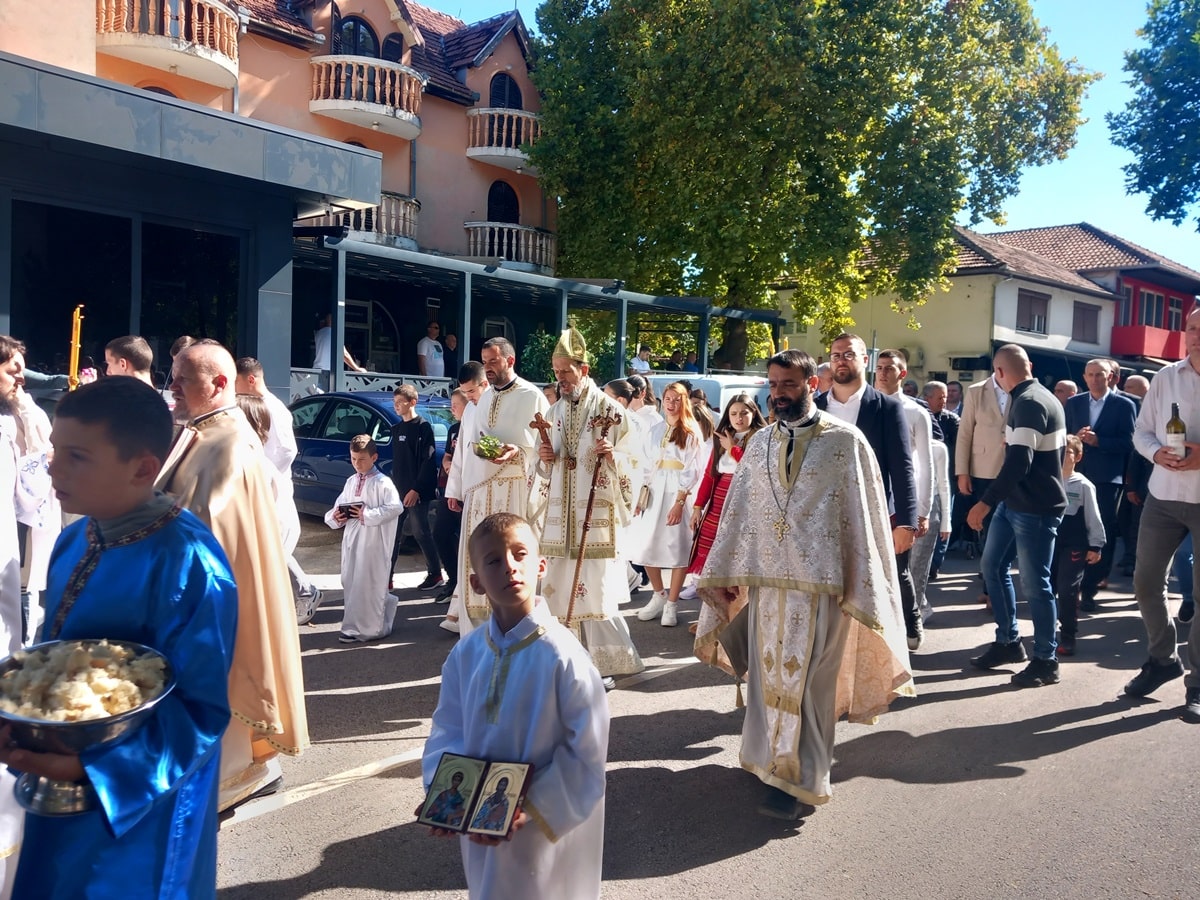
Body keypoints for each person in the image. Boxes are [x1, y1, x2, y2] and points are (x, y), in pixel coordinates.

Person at [0, 376, 238, 898]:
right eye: (54, 451)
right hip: (55, 781)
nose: (53, 469)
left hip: (137, 802)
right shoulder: (73, 538)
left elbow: (199, 711)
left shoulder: (189, 563)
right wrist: (20, 728)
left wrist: (95, 765)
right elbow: (48, 662)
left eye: (77, 457)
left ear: (144, 469)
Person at [696, 349, 913, 818]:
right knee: (765, 677)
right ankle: (767, 762)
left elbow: (865, 519)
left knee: (811, 685)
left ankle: (803, 781)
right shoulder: (758, 443)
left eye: (788, 385)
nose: (778, 395)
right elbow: (740, 513)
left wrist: (862, 582)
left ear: (811, 384)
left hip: (822, 590)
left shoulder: (846, 442)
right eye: (772, 386)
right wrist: (728, 573)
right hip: (768, 586)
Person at [422, 513, 608, 899]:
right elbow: (447, 728)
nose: (509, 566)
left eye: (519, 554)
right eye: (493, 560)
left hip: (540, 826)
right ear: (474, 582)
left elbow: (586, 751)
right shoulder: (466, 654)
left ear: (540, 566)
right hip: (478, 821)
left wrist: (532, 805)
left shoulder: (563, 657)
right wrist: (442, 795)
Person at [157, 341, 308, 810]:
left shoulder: (228, 447)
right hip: (198, 598)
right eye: (173, 376)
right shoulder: (204, 431)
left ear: (219, 384)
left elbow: (208, 529)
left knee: (224, 690)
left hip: (215, 601)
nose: (172, 387)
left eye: (183, 379)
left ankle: (234, 777)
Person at [536, 329, 645, 682]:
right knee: (558, 589)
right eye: (556, 372)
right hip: (560, 516)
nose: (560, 378)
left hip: (593, 515)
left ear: (583, 369)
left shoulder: (610, 410)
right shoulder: (553, 410)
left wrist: (613, 456)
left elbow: (635, 459)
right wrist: (545, 457)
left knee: (593, 593)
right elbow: (545, 465)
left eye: (566, 372)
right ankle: (565, 659)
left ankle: (602, 664)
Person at [967, 344, 1067, 687]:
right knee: (992, 567)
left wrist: (985, 502)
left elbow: (1019, 462)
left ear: (999, 372)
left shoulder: (1029, 401)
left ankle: (1046, 660)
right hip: (1015, 504)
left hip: (1035, 508)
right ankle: (1009, 642)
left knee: (1036, 585)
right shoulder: (1031, 396)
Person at [817, 335, 919, 645]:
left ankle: (882, 644)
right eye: (835, 355)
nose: (841, 360)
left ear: (865, 360)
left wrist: (906, 521)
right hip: (820, 515)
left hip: (868, 513)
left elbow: (902, 466)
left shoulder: (886, 407)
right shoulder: (815, 406)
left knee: (872, 585)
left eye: (849, 354)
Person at [1124, 307, 1200, 721]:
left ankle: (1198, 683)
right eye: (1192, 327)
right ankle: (1162, 659)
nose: (1197, 335)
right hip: (1164, 496)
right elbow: (1142, 431)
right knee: (1145, 582)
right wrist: (1156, 453)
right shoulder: (1165, 377)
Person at [445, 339, 549, 633]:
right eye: (484, 362)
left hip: (514, 488)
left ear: (510, 361)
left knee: (509, 554)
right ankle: (478, 630)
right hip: (479, 492)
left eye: (493, 362)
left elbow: (544, 446)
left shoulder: (532, 396)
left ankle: (517, 624)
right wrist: (455, 489)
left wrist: (518, 451)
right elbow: (466, 447)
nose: (488, 368)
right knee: (478, 554)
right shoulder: (482, 399)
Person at [235, 357, 324, 625]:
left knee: (271, 553)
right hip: (263, 484)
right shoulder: (256, 406)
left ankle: (305, 591)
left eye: (238, 382)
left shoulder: (274, 409)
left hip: (272, 490)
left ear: (250, 379)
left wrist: (263, 473)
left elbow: (288, 450)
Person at [630, 381, 707, 626]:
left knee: (677, 547)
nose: (672, 404)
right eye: (668, 399)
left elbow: (693, 469)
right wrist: (639, 496)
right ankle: (659, 594)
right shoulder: (655, 430)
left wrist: (680, 501)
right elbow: (643, 462)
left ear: (684, 403)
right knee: (646, 545)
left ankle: (672, 604)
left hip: (677, 491)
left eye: (677, 400)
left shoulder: (691, 432)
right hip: (654, 490)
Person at [1064, 359, 1136, 611]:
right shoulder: (1075, 402)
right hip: (1076, 474)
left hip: (1107, 478)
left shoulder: (1124, 404)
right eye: (1091, 374)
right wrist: (1077, 438)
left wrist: (1099, 441)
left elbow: (1129, 443)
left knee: (1101, 529)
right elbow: (1066, 437)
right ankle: (1069, 585)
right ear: (1084, 377)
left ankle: (1090, 590)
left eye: (1100, 375)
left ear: (1111, 377)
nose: (1095, 379)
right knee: (1074, 528)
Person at [874, 349, 933, 649]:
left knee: (899, 569)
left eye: (890, 368)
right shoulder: (866, 407)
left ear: (903, 374)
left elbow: (925, 465)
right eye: (880, 367)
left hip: (900, 504)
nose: (883, 372)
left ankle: (912, 620)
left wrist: (922, 511)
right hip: (870, 500)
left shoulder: (915, 413)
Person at [683, 394, 766, 611]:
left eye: (744, 413)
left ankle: (739, 610)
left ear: (754, 413)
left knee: (738, 554)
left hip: (745, 501)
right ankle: (713, 613)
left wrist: (733, 448)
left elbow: (755, 471)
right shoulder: (722, 438)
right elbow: (710, 476)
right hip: (719, 499)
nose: (739, 418)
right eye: (734, 413)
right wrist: (698, 507)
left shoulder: (762, 437)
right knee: (713, 551)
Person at [325, 435, 403, 642]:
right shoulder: (351, 481)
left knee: (368, 582)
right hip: (352, 539)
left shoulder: (383, 483)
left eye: (361, 459)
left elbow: (396, 507)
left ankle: (369, 629)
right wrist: (336, 517)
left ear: (374, 457)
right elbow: (338, 505)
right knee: (351, 580)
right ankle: (354, 625)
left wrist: (367, 514)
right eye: (353, 459)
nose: (357, 464)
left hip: (373, 541)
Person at [441, 363, 490, 632]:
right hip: (472, 490)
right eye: (464, 392)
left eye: (471, 391)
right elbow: (461, 452)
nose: (468, 397)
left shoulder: (496, 402)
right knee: (470, 550)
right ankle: (461, 612)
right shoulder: (471, 409)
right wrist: (455, 489)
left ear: (483, 384)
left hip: (493, 488)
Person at [955, 364, 1009, 600]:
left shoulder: (1022, 389)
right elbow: (965, 433)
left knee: (1009, 531)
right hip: (983, 471)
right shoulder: (977, 391)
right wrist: (962, 472)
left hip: (1013, 471)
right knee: (988, 530)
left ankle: (1000, 581)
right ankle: (990, 587)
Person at [1054, 435, 1105, 656]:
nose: (1064, 456)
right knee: (1045, 588)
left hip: (1074, 545)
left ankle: (1068, 636)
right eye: (1060, 451)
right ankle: (1046, 632)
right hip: (1049, 542)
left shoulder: (1083, 485)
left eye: (1069, 452)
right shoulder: (1048, 480)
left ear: (1078, 456)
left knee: (1067, 589)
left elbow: (1093, 517)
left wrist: (1096, 545)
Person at [389, 384, 443, 592]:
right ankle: (387, 577)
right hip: (398, 492)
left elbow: (427, 461)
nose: (397, 406)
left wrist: (416, 489)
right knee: (393, 536)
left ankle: (435, 573)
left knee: (421, 532)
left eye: (400, 402)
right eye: (395, 403)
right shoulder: (396, 429)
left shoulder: (423, 427)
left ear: (413, 402)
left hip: (417, 492)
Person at [433, 388, 468, 604]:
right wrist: (447, 463)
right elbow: (448, 455)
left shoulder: (474, 427)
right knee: (440, 534)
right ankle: (452, 579)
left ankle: (465, 584)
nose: (451, 408)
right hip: (448, 489)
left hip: (466, 491)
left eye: (456, 404)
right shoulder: (454, 429)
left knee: (465, 539)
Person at [313, 312, 366, 381]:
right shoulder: (333, 333)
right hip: (327, 373)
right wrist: (357, 368)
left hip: (316, 371)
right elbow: (344, 354)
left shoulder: (318, 334)